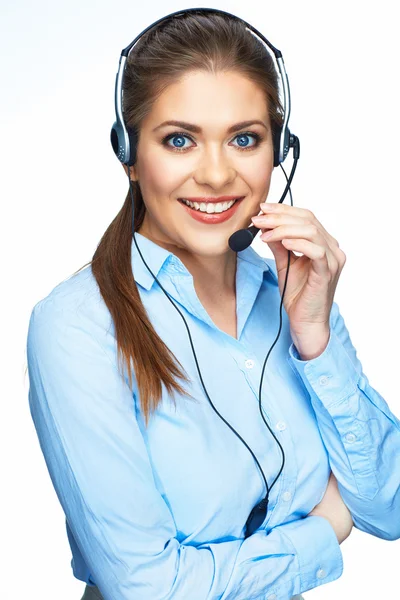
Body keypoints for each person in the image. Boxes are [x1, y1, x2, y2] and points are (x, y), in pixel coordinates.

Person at [26, 9, 400, 600]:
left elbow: (386, 502)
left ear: (280, 152)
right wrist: (323, 531)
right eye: (180, 140)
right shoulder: (78, 327)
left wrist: (316, 338)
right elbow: (148, 588)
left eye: (245, 139)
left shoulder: (289, 291)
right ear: (128, 153)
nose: (218, 174)